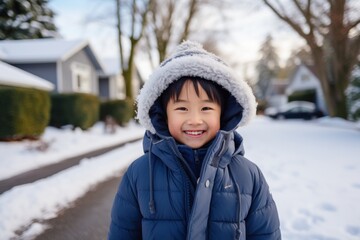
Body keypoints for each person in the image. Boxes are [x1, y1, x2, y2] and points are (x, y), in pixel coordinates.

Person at [108, 41, 281, 240]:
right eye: (182, 108)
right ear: (164, 115)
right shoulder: (138, 174)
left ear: (222, 114)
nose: (194, 120)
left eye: (206, 108)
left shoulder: (248, 176)